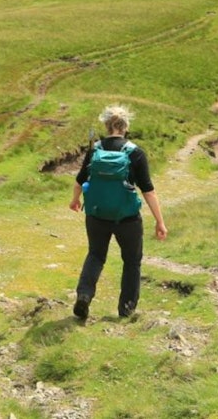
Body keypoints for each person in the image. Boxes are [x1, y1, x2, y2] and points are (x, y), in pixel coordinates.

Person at [69, 104, 167, 320]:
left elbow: (80, 182)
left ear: (106, 125)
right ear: (126, 127)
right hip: (127, 219)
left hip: (96, 215)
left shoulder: (95, 150)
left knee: (95, 255)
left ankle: (84, 295)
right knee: (131, 261)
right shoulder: (135, 152)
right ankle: (126, 309)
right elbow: (148, 191)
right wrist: (160, 222)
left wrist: (75, 201)